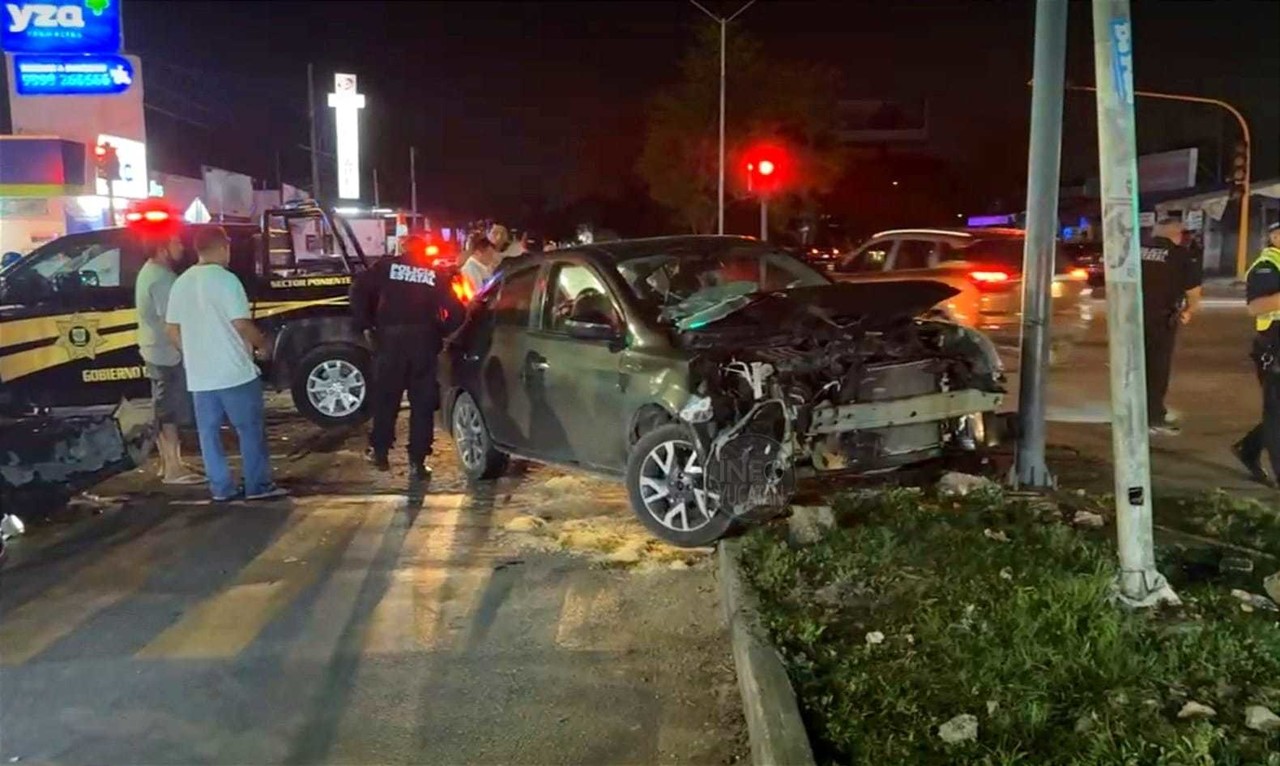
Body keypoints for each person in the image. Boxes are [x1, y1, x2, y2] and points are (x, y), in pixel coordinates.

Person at [166, 226, 286, 502]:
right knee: (249, 430)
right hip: (234, 373)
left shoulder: (181, 282)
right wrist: (264, 345)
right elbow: (241, 324)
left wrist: (194, 352)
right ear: (222, 247)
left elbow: (171, 329)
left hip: (200, 376)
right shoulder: (227, 281)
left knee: (208, 436)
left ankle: (221, 488)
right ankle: (257, 485)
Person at [350, 233, 466, 479]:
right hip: (423, 342)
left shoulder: (385, 268)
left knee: (386, 399)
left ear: (403, 248)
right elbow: (457, 311)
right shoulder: (435, 275)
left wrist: (367, 324)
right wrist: (440, 333)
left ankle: (380, 451)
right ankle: (417, 461)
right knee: (422, 404)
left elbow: (358, 289)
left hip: (389, 342)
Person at [135, 227, 203, 485]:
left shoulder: (150, 271)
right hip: (167, 353)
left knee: (163, 407)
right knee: (170, 411)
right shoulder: (162, 279)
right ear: (163, 248)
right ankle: (174, 469)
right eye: (176, 243)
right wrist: (188, 351)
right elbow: (171, 322)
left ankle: (170, 464)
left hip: (155, 349)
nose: (181, 247)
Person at [1140, 214, 1202, 435]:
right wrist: (1189, 311)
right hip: (1161, 320)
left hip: (1130, 318)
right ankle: (1153, 417)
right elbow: (1193, 291)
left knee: (1131, 367)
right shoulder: (1180, 256)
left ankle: (1129, 413)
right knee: (1156, 369)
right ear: (1177, 235)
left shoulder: (1135, 250)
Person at [1233, 221, 1280, 488]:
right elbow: (1256, 307)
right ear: (1274, 236)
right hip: (1274, 345)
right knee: (1277, 412)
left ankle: (1249, 449)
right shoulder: (1267, 265)